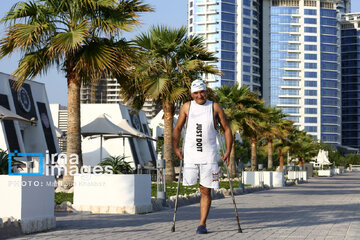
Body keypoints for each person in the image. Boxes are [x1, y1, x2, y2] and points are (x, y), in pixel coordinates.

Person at [172, 79, 233, 234]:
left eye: (202, 92)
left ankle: (202, 224)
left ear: (206, 91)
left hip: (209, 156)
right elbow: (178, 128)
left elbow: (226, 129)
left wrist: (228, 150)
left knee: (206, 190)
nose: (200, 95)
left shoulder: (214, 106)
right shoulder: (187, 107)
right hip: (191, 155)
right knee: (193, 186)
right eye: (196, 93)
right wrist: (176, 147)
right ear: (192, 94)